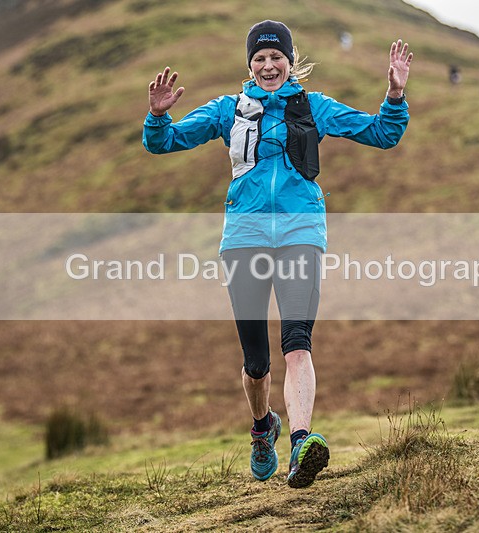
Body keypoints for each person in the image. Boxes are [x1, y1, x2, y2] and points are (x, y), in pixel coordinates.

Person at [142, 20, 412, 488]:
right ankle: (263, 427)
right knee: (256, 363)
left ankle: (302, 442)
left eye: (276, 57)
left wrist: (394, 96)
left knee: (297, 343)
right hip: (243, 240)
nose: (269, 65)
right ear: (250, 65)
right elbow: (163, 142)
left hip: (300, 232)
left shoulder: (315, 107)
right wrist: (158, 116)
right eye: (260, 58)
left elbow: (381, 134)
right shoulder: (228, 111)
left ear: (290, 60)